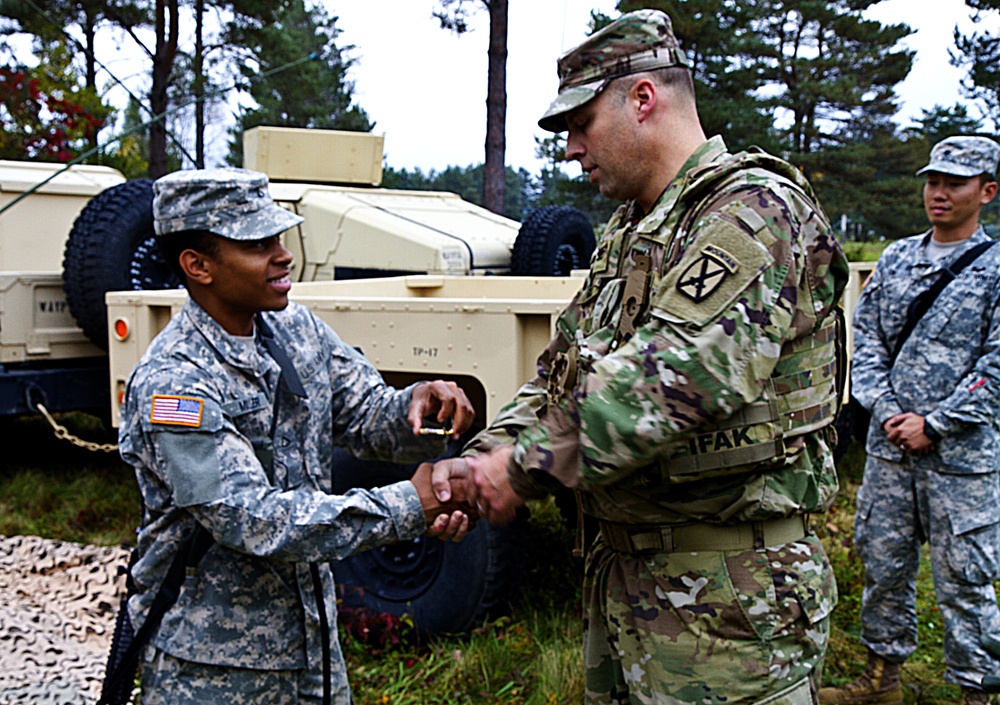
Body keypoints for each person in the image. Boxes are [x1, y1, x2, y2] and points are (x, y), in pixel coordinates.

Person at [432, 9, 849, 705]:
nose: (570, 148)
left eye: (579, 124)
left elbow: (678, 375)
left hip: (729, 605)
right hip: (629, 590)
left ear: (642, 100)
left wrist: (524, 466)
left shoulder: (752, 211)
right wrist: (484, 457)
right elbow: (561, 373)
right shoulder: (632, 234)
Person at [118, 167, 476, 705]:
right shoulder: (174, 384)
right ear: (198, 266)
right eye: (258, 244)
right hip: (213, 671)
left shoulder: (296, 331)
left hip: (314, 651)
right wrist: (409, 505)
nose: (283, 255)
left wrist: (422, 409)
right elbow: (253, 519)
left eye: (279, 237)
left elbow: (367, 416)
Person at [819, 136, 1000, 705]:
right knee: (883, 565)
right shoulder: (898, 258)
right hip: (890, 449)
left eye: (955, 183)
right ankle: (881, 681)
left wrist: (937, 422)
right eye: (932, 181)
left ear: (986, 191)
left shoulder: (996, 269)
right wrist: (892, 411)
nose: (939, 193)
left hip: (961, 458)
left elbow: (998, 365)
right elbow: (865, 339)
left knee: (966, 580)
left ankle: (979, 692)